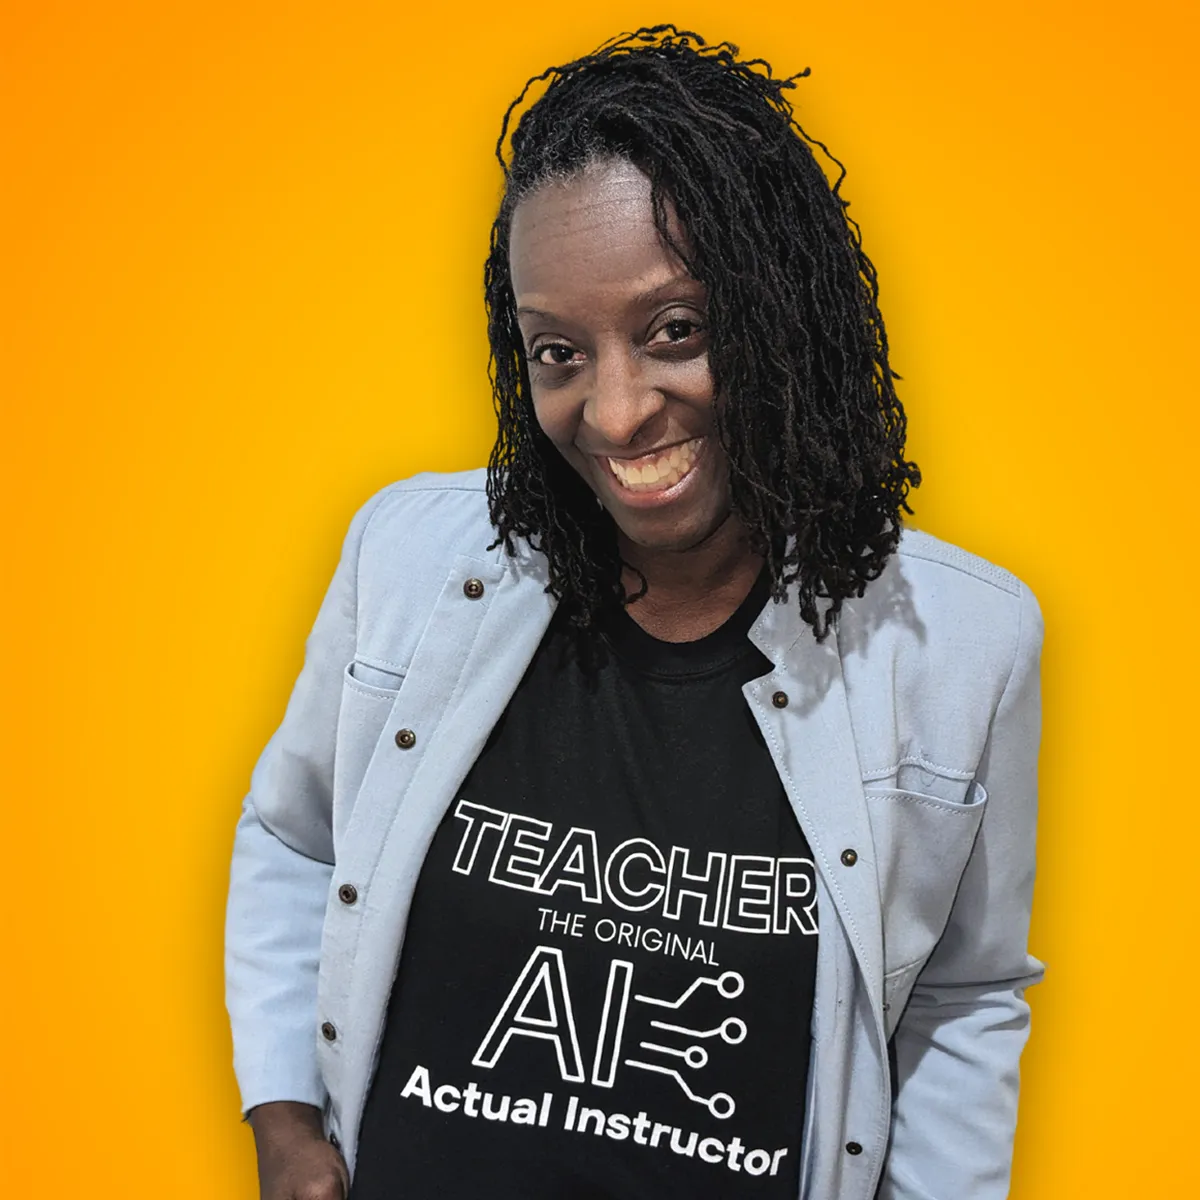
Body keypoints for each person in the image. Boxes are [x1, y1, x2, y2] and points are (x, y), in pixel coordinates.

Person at [225, 25, 1044, 1200]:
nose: (614, 415)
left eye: (676, 331)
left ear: (781, 314)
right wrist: (285, 1118)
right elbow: (296, 837)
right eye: (559, 351)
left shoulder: (960, 646)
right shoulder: (407, 557)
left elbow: (962, 999)